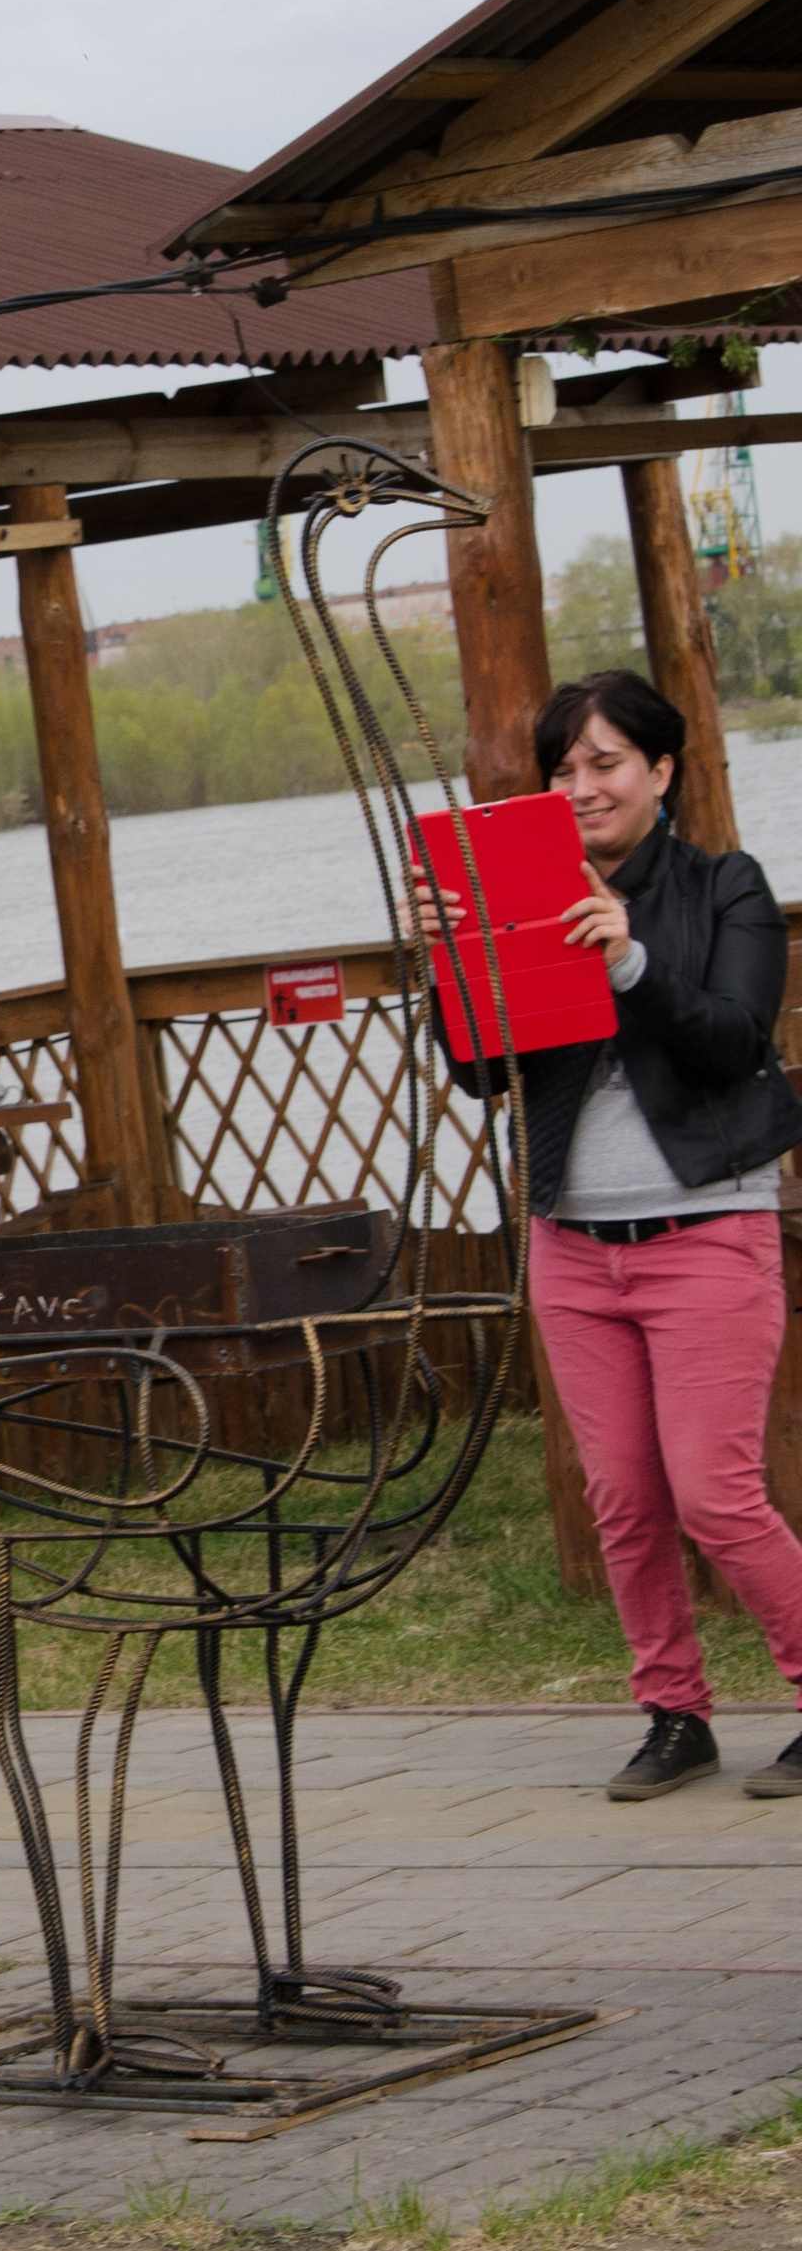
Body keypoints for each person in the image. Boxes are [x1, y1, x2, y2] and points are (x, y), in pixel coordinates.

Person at [416, 670, 802, 1803]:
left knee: (715, 1495)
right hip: (572, 1244)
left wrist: (627, 956)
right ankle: (673, 1713)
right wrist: (452, 956)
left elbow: (733, 1039)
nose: (581, 786)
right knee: (622, 1497)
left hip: (707, 1230)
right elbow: (479, 1068)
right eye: (562, 768)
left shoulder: (725, 886)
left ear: (660, 772)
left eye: (605, 763)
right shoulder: (510, 890)